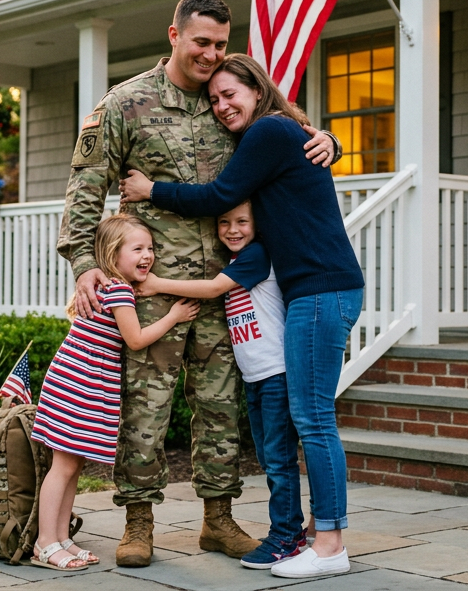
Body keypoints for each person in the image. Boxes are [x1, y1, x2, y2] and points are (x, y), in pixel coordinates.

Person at [56, 0, 341, 567]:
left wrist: (331, 141)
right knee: (146, 405)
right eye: (200, 42)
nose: (211, 54)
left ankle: (218, 518)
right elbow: (86, 185)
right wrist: (84, 263)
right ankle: (138, 522)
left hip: (226, 288)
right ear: (174, 36)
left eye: (219, 44)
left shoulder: (227, 105)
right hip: (150, 289)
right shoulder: (125, 103)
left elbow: (291, 134)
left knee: (221, 407)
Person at [119, 53, 364, 579]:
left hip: (323, 290)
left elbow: (220, 195)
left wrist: (150, 190)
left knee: (315, 421)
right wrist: (330, 139)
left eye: (231, 94)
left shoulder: (270, 131)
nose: (222, 105)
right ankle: (306, 539)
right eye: (214, 99)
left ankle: (330, 546)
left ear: (257, 90)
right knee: (308, 420)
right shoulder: (280, 132)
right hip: (312, 293)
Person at [137, 200, 304, 570]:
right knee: (268, 457)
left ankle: (287, 536)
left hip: (275, 374)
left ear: (257, 224)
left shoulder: (257, 255)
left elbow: (213, 289)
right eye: (224, 222)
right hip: (256, 378)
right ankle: (289, 531)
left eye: (242, 221)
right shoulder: (236, 259)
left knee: (278, 460)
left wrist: (155, 285)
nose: (232, 229)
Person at [30, 214, 200, 572]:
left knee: (72, 464)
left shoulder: (109, 286)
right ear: (112, 253)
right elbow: (135, 340)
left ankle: (62, 538)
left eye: (150, 248)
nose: (147, 255)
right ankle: (44, 542)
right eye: (137, 248)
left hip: (80, 379)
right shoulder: (119, 290)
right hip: (80, 382)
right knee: (62, 467)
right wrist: (173, 316)